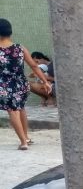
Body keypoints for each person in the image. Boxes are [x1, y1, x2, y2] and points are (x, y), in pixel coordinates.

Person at [0, 18, 52, 150]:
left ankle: (23, 142)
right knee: (21, 108)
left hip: (5, 86)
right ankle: (26, 137)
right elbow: (34, 66)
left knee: (12, 111)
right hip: (21, 84)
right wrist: (45, 82)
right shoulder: (20, 48)